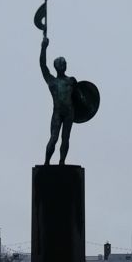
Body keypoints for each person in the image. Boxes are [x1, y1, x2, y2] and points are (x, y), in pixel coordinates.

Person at [40, 36, 78, 165]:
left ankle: (62, 161)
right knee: (54, 138)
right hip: (57, 112)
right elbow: (43, 66)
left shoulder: (71, 81)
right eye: (60, 63)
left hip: (69, 113)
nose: (63, 65)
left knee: (65, 138)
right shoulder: (52, 81)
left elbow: (80, 97)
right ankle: (47, 162)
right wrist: (43, 48)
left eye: (64, 63)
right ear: (56, 67)